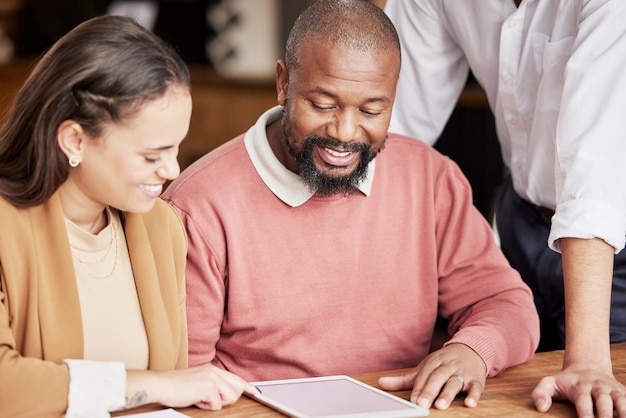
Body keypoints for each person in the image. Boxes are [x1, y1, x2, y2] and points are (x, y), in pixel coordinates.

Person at [163, 0, 540, 411]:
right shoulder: (197, 206)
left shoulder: (431, 178)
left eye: (371, 110)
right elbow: (184, 381)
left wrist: (474, 350)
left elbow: (507, 304)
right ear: (283, 83)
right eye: (323, 105)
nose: (344, 133)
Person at [0, 15, 254, 418]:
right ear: (74, 141)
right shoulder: (7, 227)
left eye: (176, 149)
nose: (171, 170)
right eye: (152, 155)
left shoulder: (161, 227)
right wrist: (153, 385)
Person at [383, 0, 626, 416]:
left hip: (611, 245)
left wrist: (586, 359)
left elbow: (595, 173)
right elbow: (390, 128)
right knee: (518, 401)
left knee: (596, 402)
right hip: (522, 220)